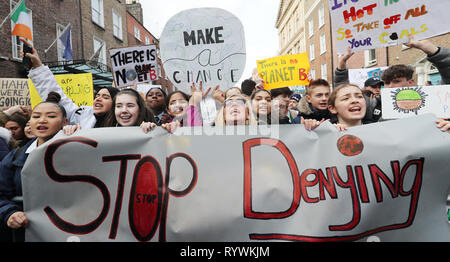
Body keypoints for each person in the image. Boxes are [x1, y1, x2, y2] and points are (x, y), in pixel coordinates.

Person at [0, 92, 68, 242]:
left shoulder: (78, 153)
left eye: (51, 116)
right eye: (36, 116)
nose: (42, 120)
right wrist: (9, 213)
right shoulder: (15, 157)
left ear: (65, 122)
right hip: (26, 233)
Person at [22, 40, 119, 131]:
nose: (98, 99)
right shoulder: (82, 115)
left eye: (105, 97)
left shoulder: (123, 122)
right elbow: (60, 100)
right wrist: (38, 67)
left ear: (116, 103)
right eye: (97, 96)